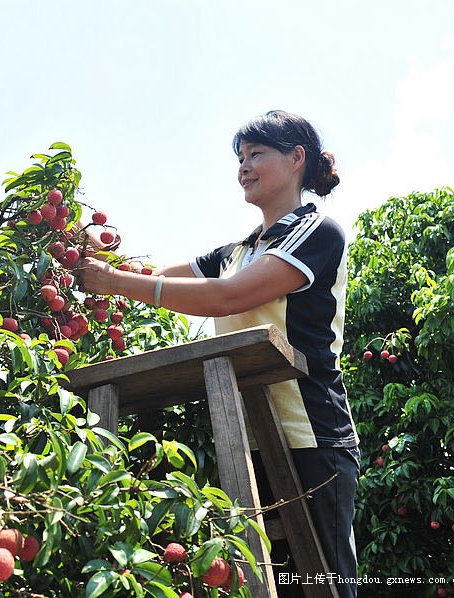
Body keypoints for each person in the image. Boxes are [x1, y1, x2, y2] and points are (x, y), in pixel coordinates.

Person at [77, 110, 360, 598]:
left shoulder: (316, 232)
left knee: (324, 584)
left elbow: (227, 297)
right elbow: (149, 273)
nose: (244, 167)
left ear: (297, 159)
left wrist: (112, 280)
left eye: (256, 154)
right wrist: (84, 246)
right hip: (250, 435)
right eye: (240, 158)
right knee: (265, 582)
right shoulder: (238, 249)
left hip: (310, 432)